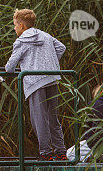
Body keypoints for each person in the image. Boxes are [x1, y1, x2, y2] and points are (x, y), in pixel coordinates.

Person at [4, 8, 67, 161]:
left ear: (22, 26)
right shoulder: (45, 35)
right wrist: (49, 64)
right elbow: (61, 48)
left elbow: (9, 67)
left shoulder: (21, 41)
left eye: (15, 25)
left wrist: (19, 69)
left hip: (35, 83)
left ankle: (45, 153)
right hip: (51, 79)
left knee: (39, 118)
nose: (14, 28)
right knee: (53, 117)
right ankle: (60, 151)